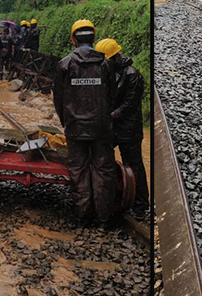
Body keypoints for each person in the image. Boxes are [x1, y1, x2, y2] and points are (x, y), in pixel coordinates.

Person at [53, 20, 117, 227]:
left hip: (75, 127)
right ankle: (104, 219)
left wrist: (67, 122)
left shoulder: (65, 64)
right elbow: (112, 95)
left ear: (73, 40)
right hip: (101, 128)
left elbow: (59, 98)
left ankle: (82, 217)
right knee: (104, 170)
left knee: (78, 170)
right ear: (93, 39)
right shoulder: (105, 64)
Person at [95, 38, 148, 219]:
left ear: (116, 57)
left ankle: (141, 205)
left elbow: (129, 105)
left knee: (134, 164)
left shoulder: (132, 75)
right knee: (103, 158)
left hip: (129, 129)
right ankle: (112, 195)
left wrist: (110, 114)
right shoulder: (108, 73)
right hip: (113, 126)